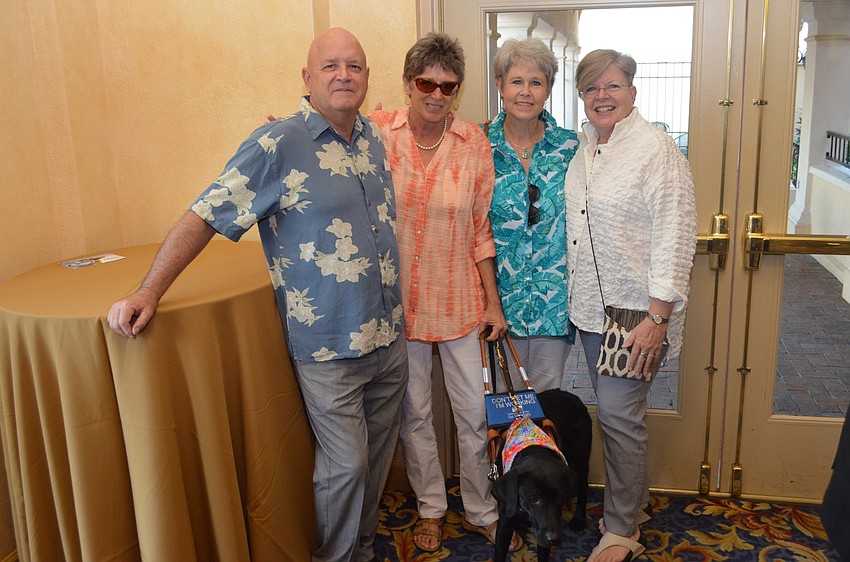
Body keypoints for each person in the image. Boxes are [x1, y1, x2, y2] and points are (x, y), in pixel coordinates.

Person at [107, 27, 407, 562]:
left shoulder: (371, 139)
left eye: (355, 66)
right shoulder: (277, 144)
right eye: (331, 66)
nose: (344, 75)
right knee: (348, 468)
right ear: (307, 77)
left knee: (378, 461)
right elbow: (205, 214)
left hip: (388, 337)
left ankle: (362, 551)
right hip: (328, 345)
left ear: (366, 76)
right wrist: (149, 289)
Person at [368, 33, 520, 554]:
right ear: (409, 84)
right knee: (414, 416)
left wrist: (493, 303)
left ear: (458, 91)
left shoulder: (473, 142)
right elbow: (326, 137)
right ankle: (430, 507)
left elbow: (481, 229)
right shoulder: (378, 133)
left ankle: (481, 508)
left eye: (447, 86)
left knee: (474, 415)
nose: (436, 93)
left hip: (458, 302)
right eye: (426, 82)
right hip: (398, 307)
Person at [564, 49, 696, 562]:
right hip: (592, 311)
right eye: (592, 87)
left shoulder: (655, 149)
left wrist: (657, 317)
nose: (602, 95)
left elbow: (676, 234)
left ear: (633, 92)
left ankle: (621, 531)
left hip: (634, 314)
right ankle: (632, 504)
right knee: (620, 418)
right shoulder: (587, 147)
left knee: (619, 419)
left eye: (613, 86)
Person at [485, 38, 579, 392]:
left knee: (544, 411)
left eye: (536, 82)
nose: (526, 92)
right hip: (497, 309)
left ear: (549, 89)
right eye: (516, 81)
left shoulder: (572, 148)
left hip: (552, 309)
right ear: (500, 85)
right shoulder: (478, 146)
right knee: (499, 411)